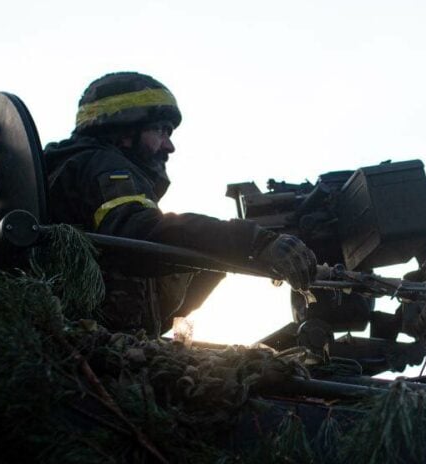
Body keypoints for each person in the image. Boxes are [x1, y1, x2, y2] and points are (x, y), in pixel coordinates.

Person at [42, 72, 317, 336]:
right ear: (124, 130)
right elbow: (134, 232)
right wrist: (253, 242)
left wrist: (218, 262)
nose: (169, 146)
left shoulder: (74, 166)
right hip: (91, 337)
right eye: (161, 131)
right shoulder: (102, 164)